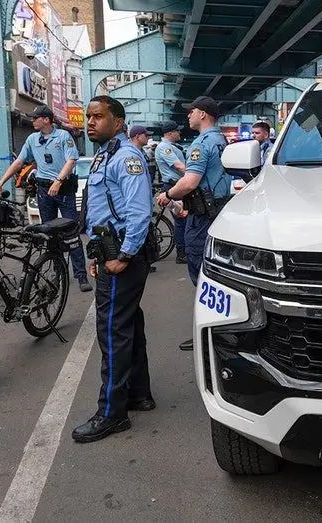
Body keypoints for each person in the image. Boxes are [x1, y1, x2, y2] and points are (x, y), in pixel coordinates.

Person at [72, 96, 155, 443]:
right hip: (109, 251)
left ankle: (111, 413)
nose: (90, 122)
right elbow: (101, 211)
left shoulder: (126, 158)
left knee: (111, 332)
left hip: (122, 256)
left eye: (99, 117)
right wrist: (96, 253)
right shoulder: (103, 156)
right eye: (89, 117)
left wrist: (123, 255)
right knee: (127, 324)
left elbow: (139, 212)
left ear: (118, 122)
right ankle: (138, 394)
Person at [156, 96, 232, 350]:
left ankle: (209, 335)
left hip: (203, 215)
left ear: (202, 114)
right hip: (217, 210)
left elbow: (189, 182)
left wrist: (167, 195)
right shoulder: (221, 140)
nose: (187, 116)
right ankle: (219, 331)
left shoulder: (201, 143)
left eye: (191, 112)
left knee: (200, 271)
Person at [0, 105, 92, 291]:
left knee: (71, 233)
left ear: (46, 119)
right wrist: (0, 183)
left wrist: (58, 181)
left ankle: (81, 276)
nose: (32, 120)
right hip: (44, 191)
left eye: (35, 117)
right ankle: (57, 273)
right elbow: (19, 162)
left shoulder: (63, 136)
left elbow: (71, 160)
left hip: (64, 190)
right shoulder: (32, 139)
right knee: (49, 233)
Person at [154, 120, 188, 264]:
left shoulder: (172, 146)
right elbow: (178, 166)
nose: (179, 133)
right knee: (181, 220)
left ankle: (184, 250)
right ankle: (181, 253)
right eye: (177, 131)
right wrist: (194, 176)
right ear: (169, 133)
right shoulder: (164, 148)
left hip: (177, 186)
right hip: (174, 187)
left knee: (185, 220)